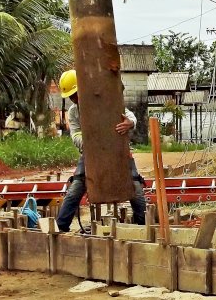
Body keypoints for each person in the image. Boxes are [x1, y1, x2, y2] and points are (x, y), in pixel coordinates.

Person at [55, 69, 147, 232]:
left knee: (136, 189)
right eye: (71, 96)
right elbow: (75, 135)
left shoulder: (105, 101)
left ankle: (144, 228)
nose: (74, 98)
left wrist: (130, 123)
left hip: (118, 152)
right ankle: (61, 228)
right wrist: (91, 142)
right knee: (76, 188)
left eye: (75, 94)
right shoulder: (73, 112)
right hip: (90, 155)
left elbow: (129, 116)